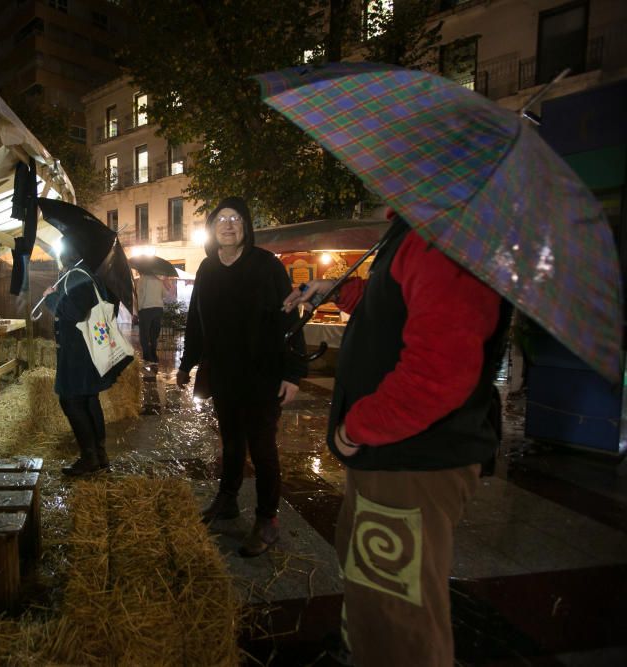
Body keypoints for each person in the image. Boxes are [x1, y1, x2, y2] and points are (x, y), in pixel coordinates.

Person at [283, 210, 512, 667]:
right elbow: (395, 307)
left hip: (411, 460)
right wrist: (339, 291)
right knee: (371, 583)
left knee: (399, 615)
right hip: (393, 456)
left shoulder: (445, 239)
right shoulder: (419, 228)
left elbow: (440, 370)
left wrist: (358, 425)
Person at [176, 197, 306, 557]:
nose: (228, 225)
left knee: (262, 449)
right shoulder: (207, 269)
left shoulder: (266, 266)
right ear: (212, 228)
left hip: (263, 375)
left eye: (236, 219)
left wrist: (293, 373)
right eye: (221, 219)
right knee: (231, 443)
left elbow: (290, 320)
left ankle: (267, 521)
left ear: (246, 226)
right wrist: (187, 364)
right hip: (224, 374)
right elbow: (196, 322)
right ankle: (228, 499)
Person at [42, 242, 129, 476]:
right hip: (88, 352)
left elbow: (74, 312)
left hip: (78, 354)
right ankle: (99, 455)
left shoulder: (76, 276)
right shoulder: (91, 275)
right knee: (89, 400)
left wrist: (51, 298)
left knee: (70, 401)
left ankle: (89, 457)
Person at [136, 272, 168, 367]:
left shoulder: (143, 279)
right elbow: (164, 294)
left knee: (144, 334)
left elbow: (140, 294)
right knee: (154, 334)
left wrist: (139, 309)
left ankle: (147, 356)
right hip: (158, 309)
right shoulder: (159, 279)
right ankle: (154, 354)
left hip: (146, 309)